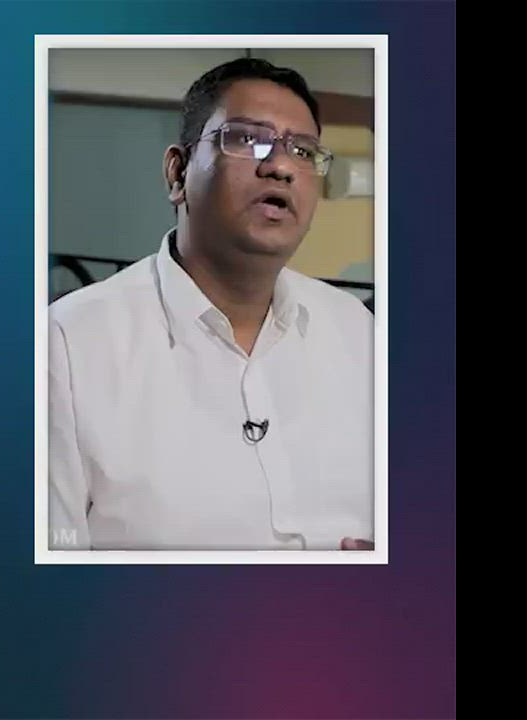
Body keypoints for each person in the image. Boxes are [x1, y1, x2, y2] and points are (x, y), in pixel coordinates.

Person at [48, 58, 373, 550]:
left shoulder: (358, 332)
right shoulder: (66, 344)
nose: (280, 166)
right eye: (247, 139)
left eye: (303, 151)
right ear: (178, 173)